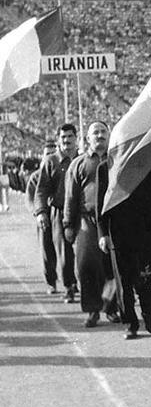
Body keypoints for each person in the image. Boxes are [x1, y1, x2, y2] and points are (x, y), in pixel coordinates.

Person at [96, 156, 151, 339]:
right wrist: (103, 234)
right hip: (119, 231)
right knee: (124, 281)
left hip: (150, 230)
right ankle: (130, 322)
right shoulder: (106, 167)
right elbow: (101, 202)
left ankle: (147, 309)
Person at [63, 121, 119, 328]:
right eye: (95, 132)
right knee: (86, 266)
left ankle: (112, 308)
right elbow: (70, 197)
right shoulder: (78, 164)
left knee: (113, 267)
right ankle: (92, 310)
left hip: (113, 220)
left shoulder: (116, 160)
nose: (100, 135)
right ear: (87, 138)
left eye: (103, 131)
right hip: (87, 221)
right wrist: (68, 225)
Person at [34, 124, 79, 303]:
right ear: (59, 139)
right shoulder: (51, 161)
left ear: (76, 138)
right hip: (59, 212)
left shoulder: (83, 159)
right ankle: (69, 286)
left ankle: (88, 284)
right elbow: (41, 190)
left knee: (87, 251)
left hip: (81, 212)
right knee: (64, 252)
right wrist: (41, 212)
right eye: (63, 137)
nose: (66, 140)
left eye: (70, 136)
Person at [25, 140, 58, 293]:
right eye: (47, 154)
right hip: (44, 217)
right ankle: (51, 282)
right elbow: (31, 199)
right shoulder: (36, 177)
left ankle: (71, 282)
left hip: (61, 215)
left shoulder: (61, 171)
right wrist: (39, 213)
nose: (50, 156)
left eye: (53, 153)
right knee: (47, 250)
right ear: (42, 157)